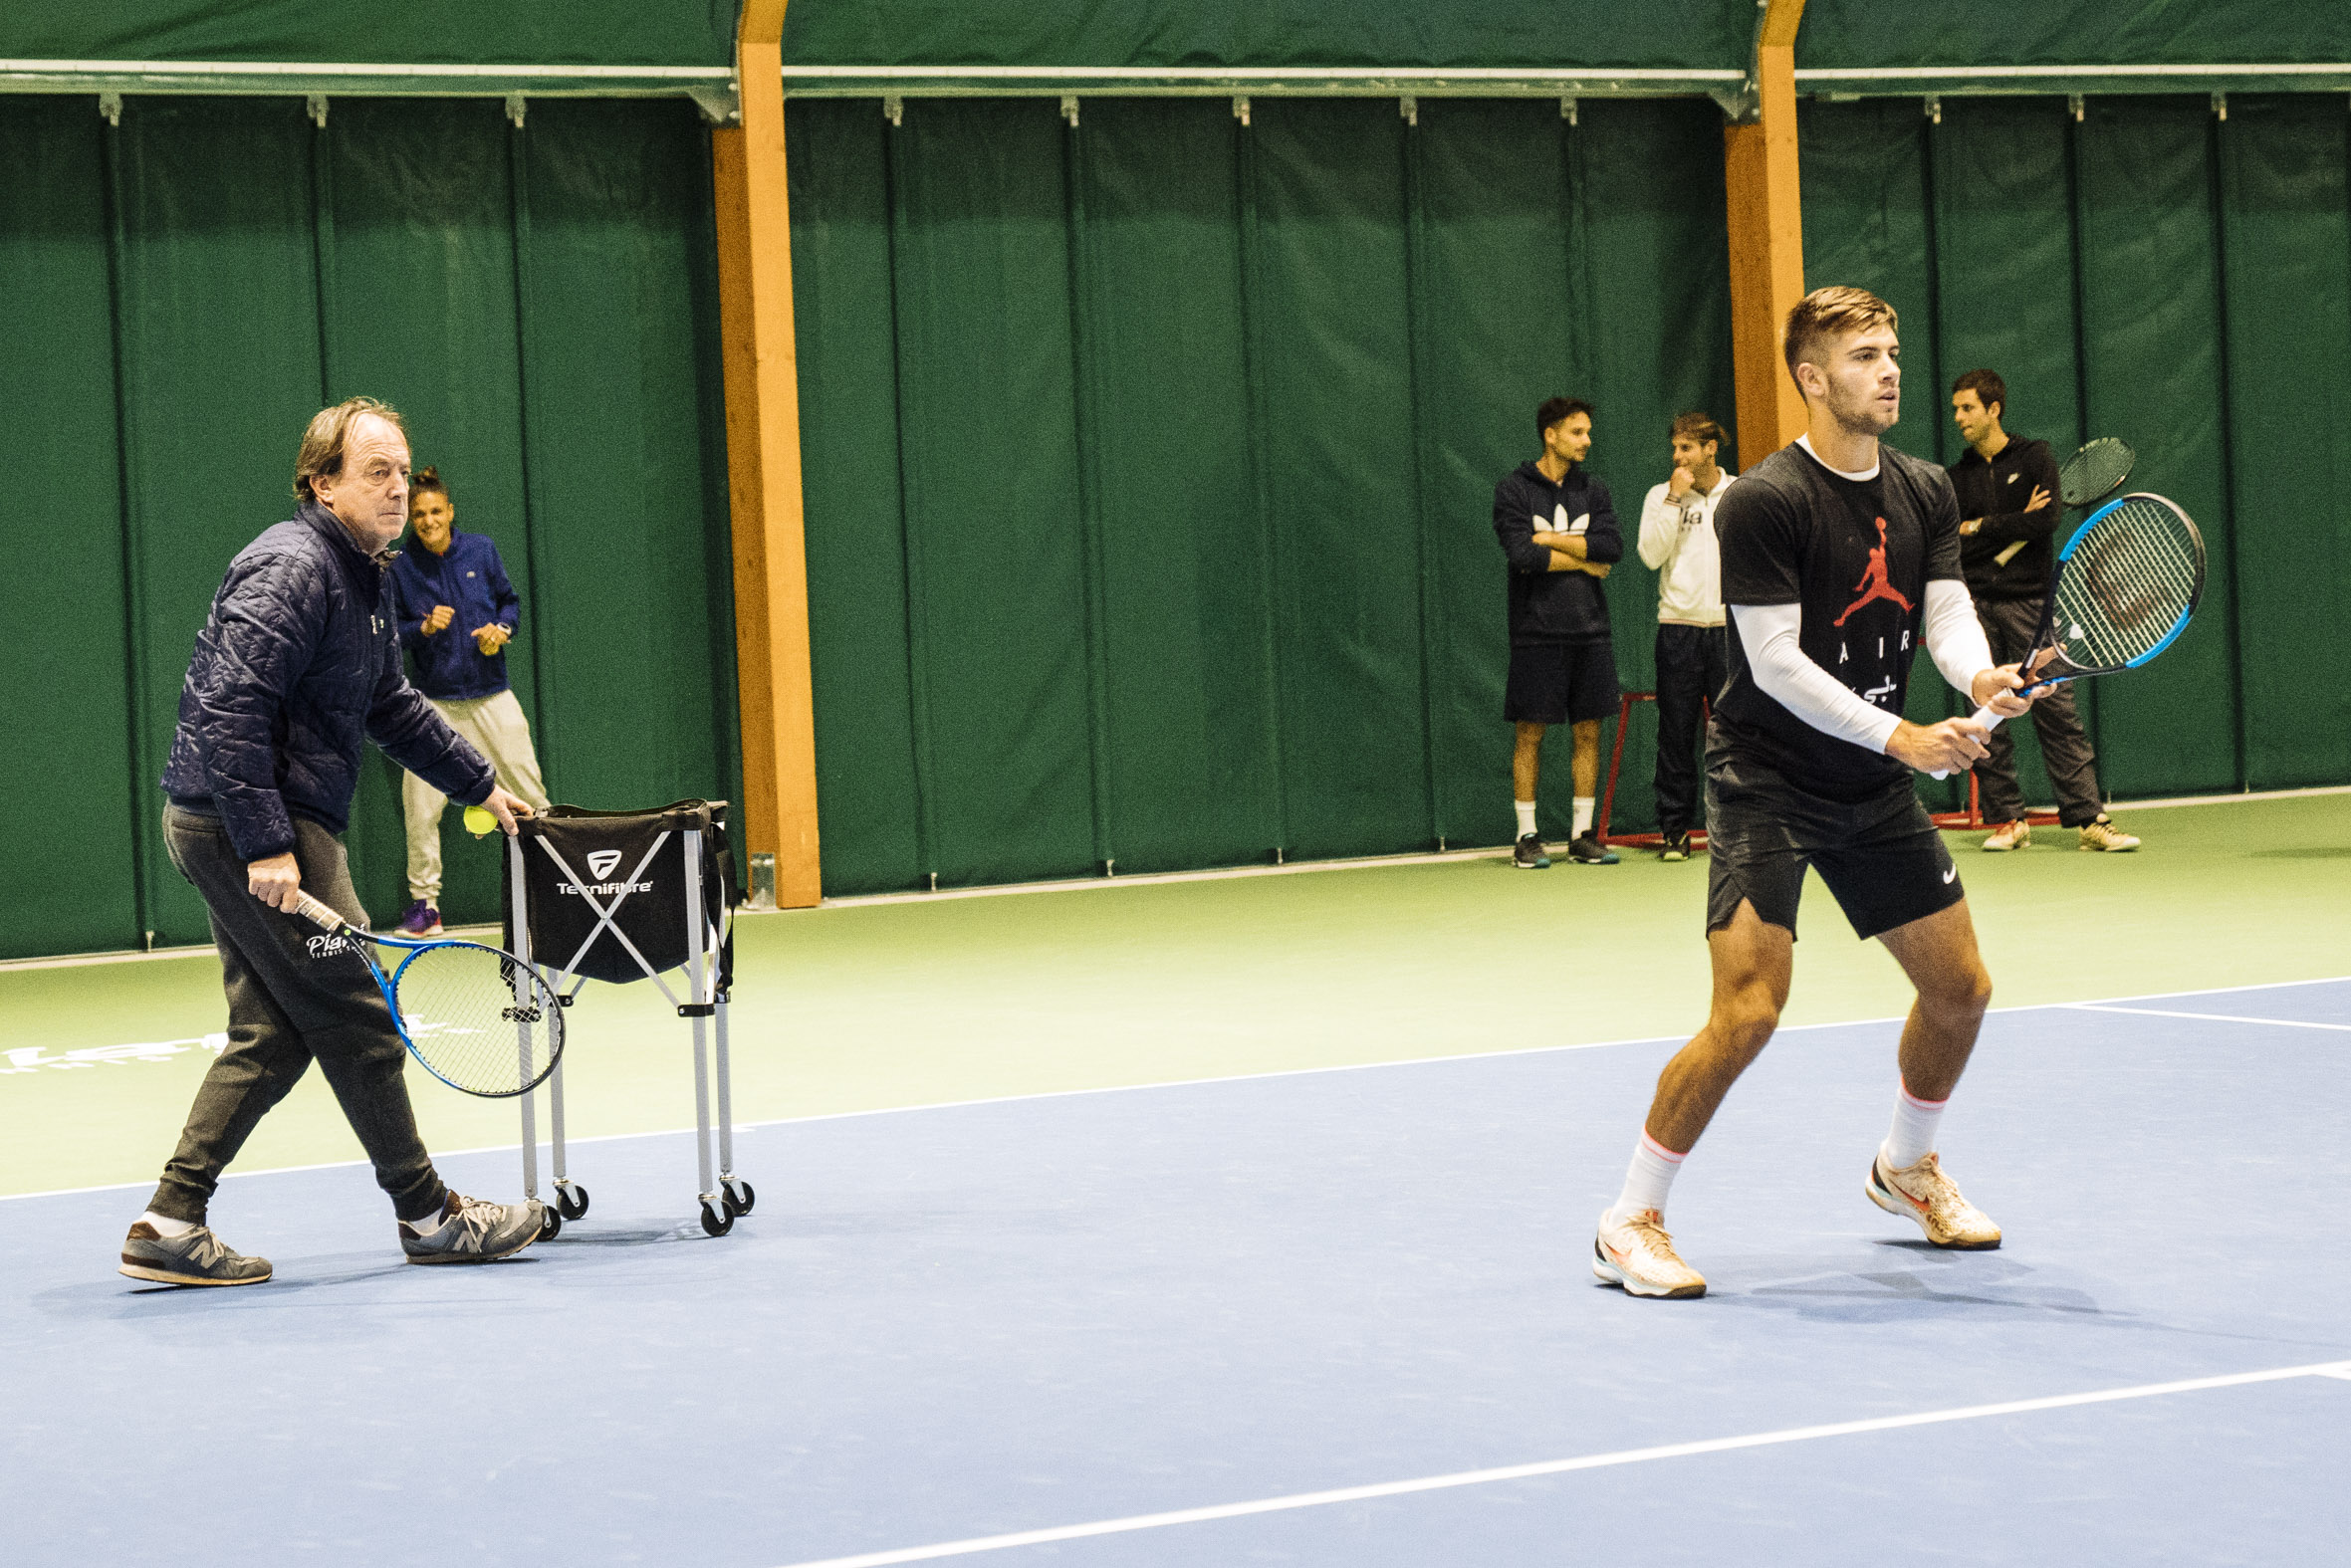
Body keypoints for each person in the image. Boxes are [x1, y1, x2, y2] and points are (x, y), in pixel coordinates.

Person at [1590, 288, 2038, 1299]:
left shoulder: (1924, 490)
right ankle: (1629, 1220)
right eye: (1865, 355)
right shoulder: (1765, 501)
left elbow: (1948, 616)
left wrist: (1978, 680)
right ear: (1811, 377)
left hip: (1869, 782)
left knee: (1960, 990)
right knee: (1749, 1010)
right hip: (1767, 779)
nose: (1889, 370)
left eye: (1892, 351)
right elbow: (1777, 661)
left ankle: (1906, 1168)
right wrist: (1905, 734)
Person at [121, 398, 546, 1288]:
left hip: (239, 818)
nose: (397, 489)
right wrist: (269, 844)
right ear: (323, 482)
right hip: (256, 822)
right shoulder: (292, 565)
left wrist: (479, 783)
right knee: (357, 1014)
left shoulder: (364, 573)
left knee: (274, 1028)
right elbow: (231, 708)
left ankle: (169, 1219)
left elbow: (387, 703)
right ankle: (430, 1215)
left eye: (403, 471)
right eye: (375, 473)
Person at [1949, 370, 2139, 853]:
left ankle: (2091, 820)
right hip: (1976, 605)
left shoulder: (2036, 457)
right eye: (1955, 409)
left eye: (1967, 408)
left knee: (2057, 711)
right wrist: (2010, 525)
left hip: (2032, 603)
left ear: (1994, 409)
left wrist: (1981, 527)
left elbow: (2048, 519)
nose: (1959, 418)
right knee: (1986, 713)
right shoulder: (1957, 476)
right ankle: (2008, 821)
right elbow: (1953, 539)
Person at [387, 466, 553, 936]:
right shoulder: (400, 567)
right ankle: (426, 907)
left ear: (450, 512)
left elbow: (510, 603)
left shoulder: (481, 549)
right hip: (433, 707)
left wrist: (501, 631)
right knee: (421, 808)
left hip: (491, 696)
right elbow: (391, 633)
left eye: (435, 511)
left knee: (529, 791)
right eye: (418, 514)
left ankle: (552, 888)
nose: (427, 520)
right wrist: (422, 628)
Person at [1495, 396, 1624, 868]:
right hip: (1536, 633)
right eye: (1577, 433)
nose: (1587, 441)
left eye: (1588, 432)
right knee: (1530, 733)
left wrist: (1550, 538)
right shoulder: (1513, 490)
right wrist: (1586, 561)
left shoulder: (1595, 490)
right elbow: (1521, 556)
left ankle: (1582, 834)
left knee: (1588, 732)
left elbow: (1612, 548)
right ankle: (1527, 836)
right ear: (1551, 435)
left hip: (1591, 633)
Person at [1636, 412, 1737, 862]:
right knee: (1675, 733)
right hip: (1678, 630)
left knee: (1733, 735)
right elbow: (1650, 555)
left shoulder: (1738, 494)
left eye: (1687, 448)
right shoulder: (1660, 495)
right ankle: (1675, 830)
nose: (1678, 456)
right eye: (1675, 448)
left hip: (1728, 633)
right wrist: (1674, 501)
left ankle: (1734, 827)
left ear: (1710, 448)